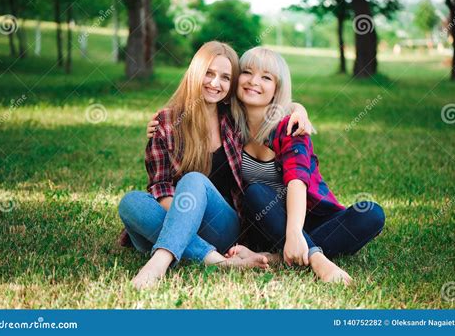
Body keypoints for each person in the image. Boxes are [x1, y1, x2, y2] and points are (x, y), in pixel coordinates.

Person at [118, 41, 313, 289]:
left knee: (194, 180)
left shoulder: (234, 118)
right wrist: (183, 221)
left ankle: (159, 260)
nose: (214, 83)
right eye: (208, 73)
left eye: (224, 77)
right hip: (177, 216)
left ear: (231, 84)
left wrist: (300, 110)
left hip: (224, 226)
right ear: (195, 73)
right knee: (131, 203)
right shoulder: (167, 123)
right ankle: (215, 260)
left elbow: (278, 102)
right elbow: (160, 186)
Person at [226, 47, 386, 285]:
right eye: (247, 72)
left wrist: (294, 233)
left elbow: (297, 181)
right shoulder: (229, 127)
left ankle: (278, 257)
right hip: (266, 222)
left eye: (266, 77)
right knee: (257, 192)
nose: (253, 81)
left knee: (371, 213)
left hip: (310, 218)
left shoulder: (291, 127)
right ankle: (317, 258)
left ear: (277, 89)